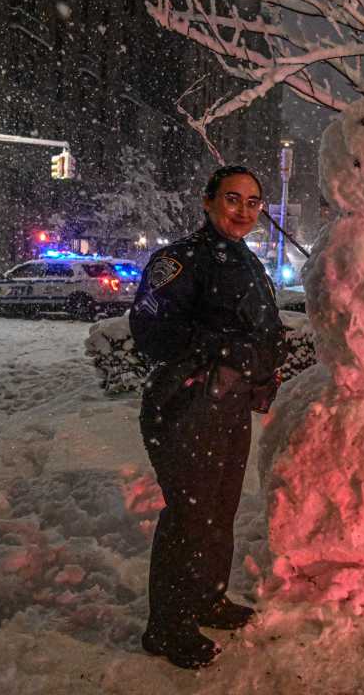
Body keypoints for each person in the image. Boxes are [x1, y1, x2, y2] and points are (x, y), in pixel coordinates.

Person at [130, 165, 285, 668]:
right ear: (208, 200)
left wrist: (259, 373)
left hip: (229, 405)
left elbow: (259, 333)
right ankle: (168, 627)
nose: (243, 210)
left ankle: (207, 597)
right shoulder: (180, 260)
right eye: (232, 198)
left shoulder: (246, 261)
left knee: (219, 509)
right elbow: (152, 331)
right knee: (189, 515)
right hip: (187, 404)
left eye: (252, 202)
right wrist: (221, 351)